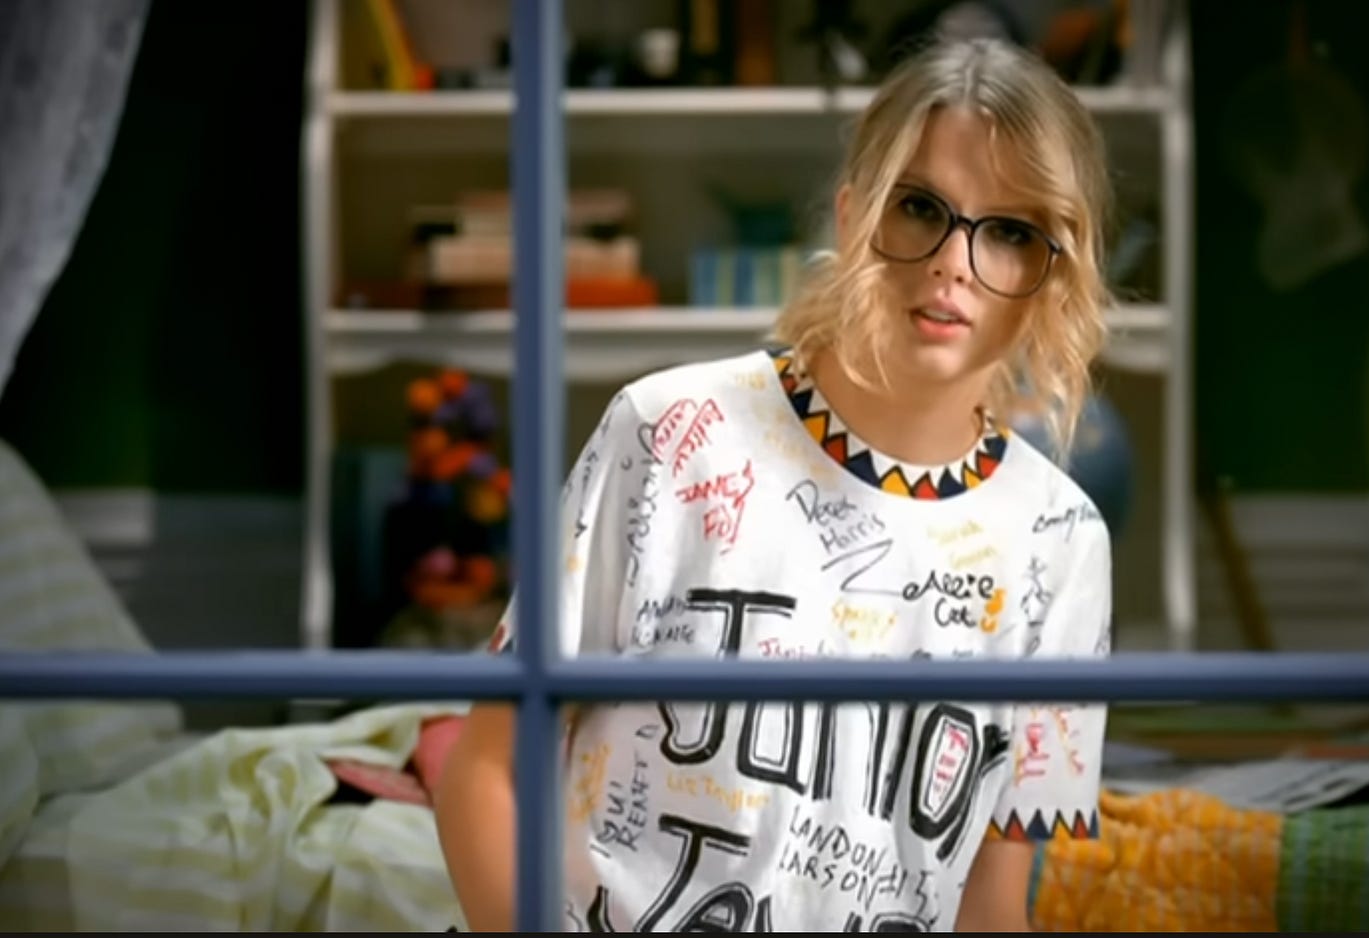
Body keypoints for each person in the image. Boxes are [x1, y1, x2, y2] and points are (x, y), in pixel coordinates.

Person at [435, 34, 1115, 933]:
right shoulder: (671, 432)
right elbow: (485, 773)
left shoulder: (1063, 540)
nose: (955, 262)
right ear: (852, 215)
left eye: (1011, 232)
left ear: (1054, 272)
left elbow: (989, 904)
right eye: (921, 207)